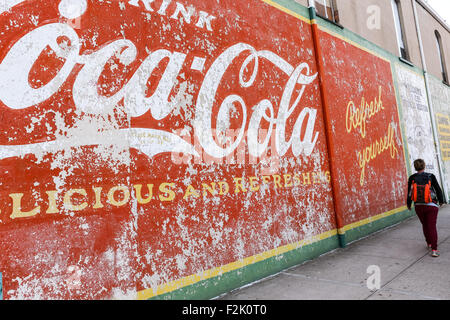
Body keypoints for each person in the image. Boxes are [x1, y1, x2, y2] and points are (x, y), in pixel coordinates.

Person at [407, 159, 444, 257]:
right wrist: (441, 201)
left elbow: (409, 192)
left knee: (425, 225)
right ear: (424, 166)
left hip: (418, 206)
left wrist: (409, 204)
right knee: (431, 226)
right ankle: (434, 250)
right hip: (431, 205)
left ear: (415, 167)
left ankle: (429, 243)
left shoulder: (412, 178)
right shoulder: (430, 176)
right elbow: (438, 189)